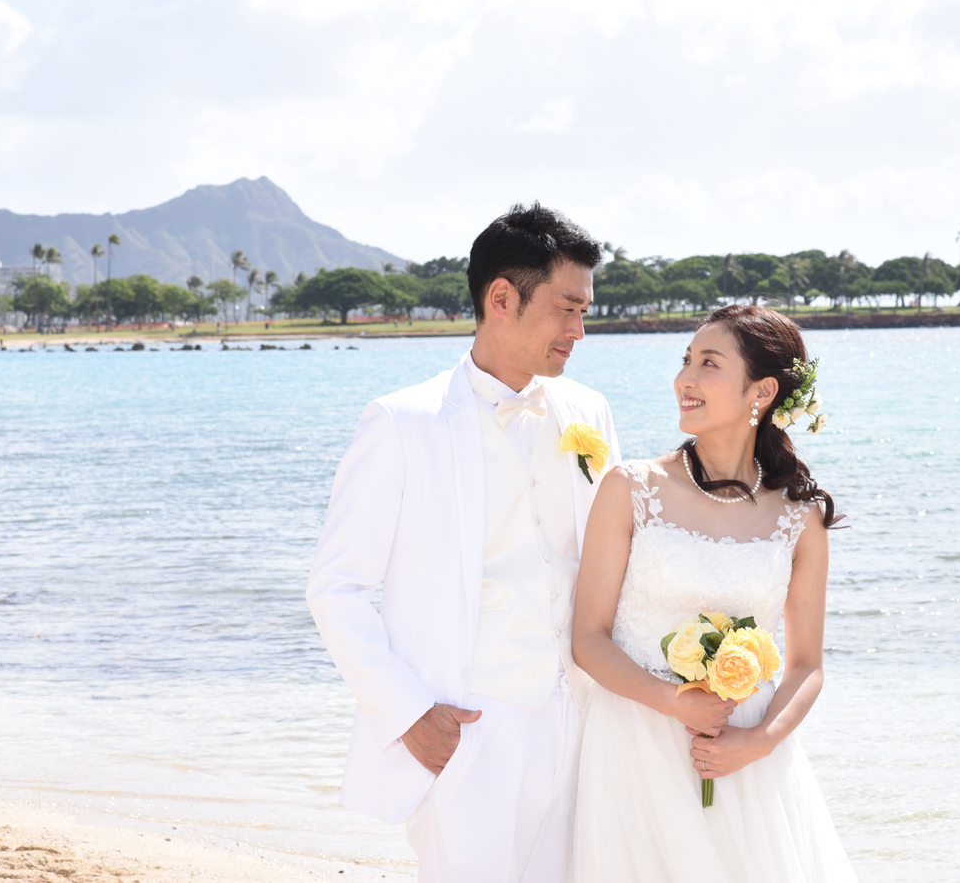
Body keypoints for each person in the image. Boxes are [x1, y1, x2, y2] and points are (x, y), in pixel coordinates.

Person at [308, 203, 618, 883]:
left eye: (585, 311)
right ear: (501, 298)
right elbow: (336, 587)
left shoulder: (588, 412)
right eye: (568, 309)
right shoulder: (402, 423)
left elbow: (610, 563)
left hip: (578, 720)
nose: (580, 330)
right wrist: (409, 713)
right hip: (469, 728)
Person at [571, 305, 855, 881]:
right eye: (685, 361)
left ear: (763, 391)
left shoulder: (800, 519)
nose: (685, 379)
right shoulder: (630, 488)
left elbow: (805, 665)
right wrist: (671, 701)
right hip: (637, 739)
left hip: (742, 750)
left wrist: (759, 741)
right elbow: (588, 639)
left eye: (709, 363)